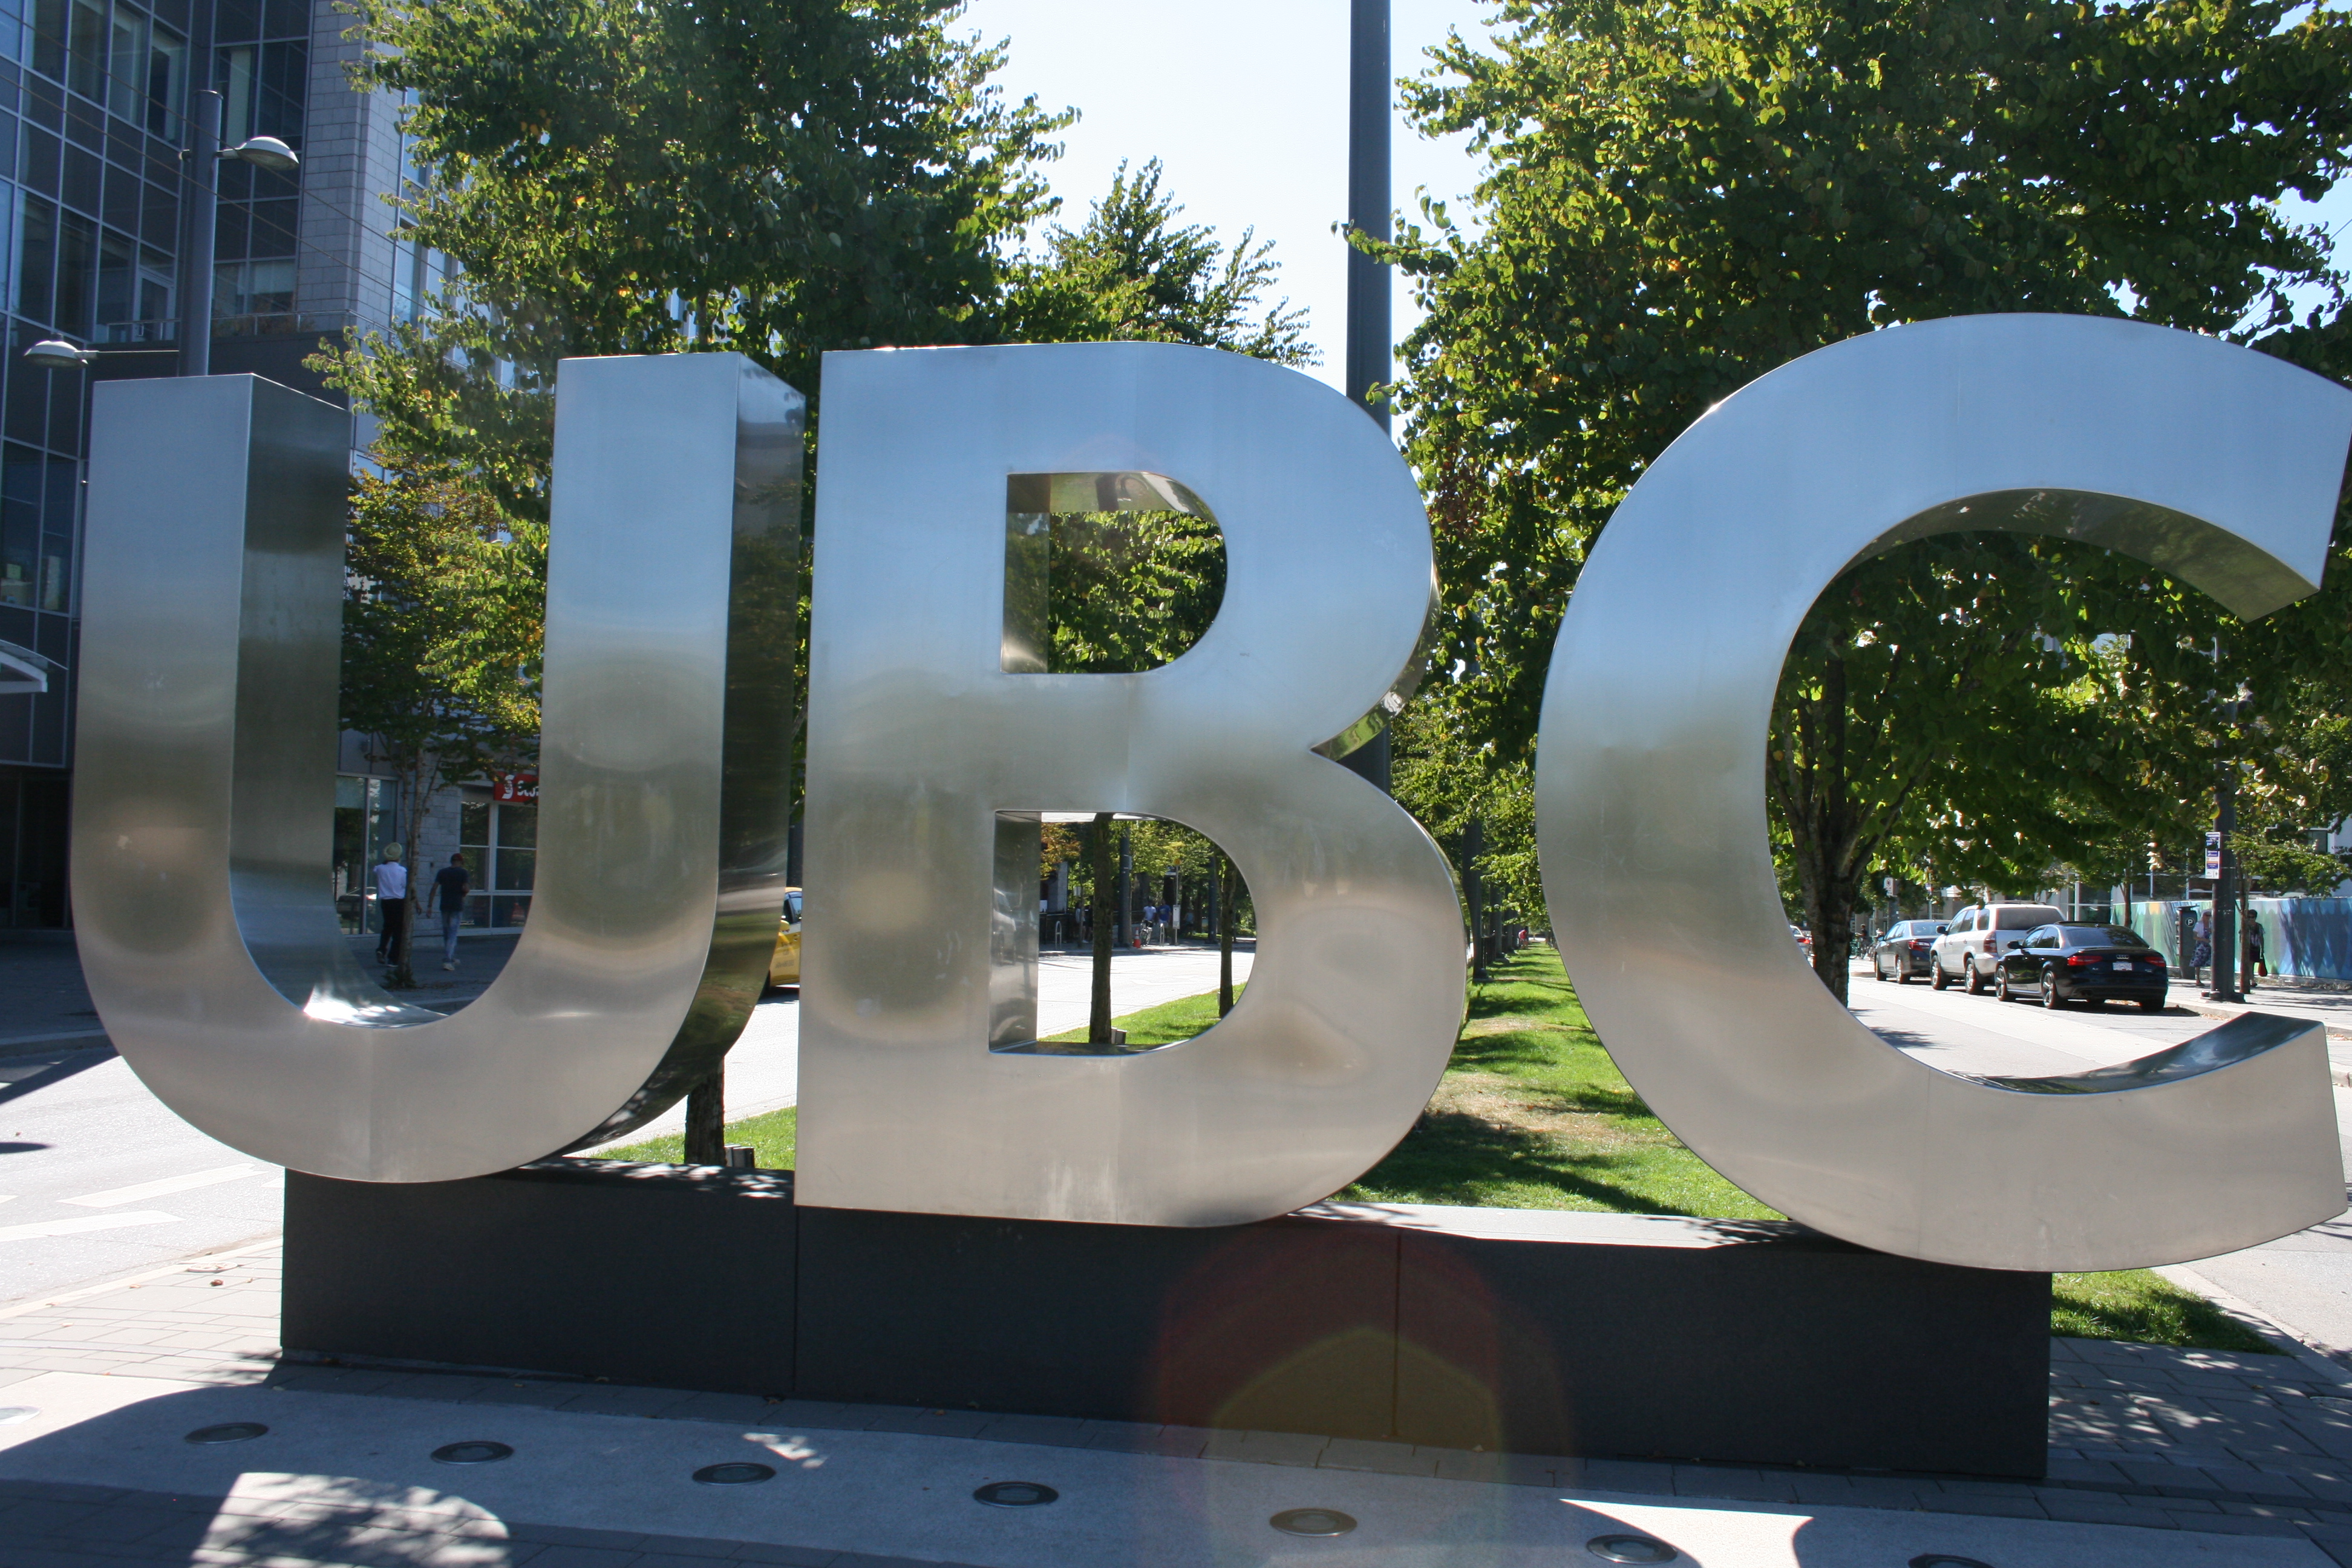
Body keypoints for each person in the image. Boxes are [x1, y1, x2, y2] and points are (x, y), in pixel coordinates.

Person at [431, 852, 471, 970]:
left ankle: (451, 956)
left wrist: (429, 905)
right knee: (453, 934)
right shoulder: (463, 872)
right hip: (456, 906)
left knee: (447, 933)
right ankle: (448, 960)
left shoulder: (442, 872)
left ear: (451, 861)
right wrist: (464, 893)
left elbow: (434, 888)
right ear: (461, 862)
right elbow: (466, 888)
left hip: (444, 905)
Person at [373, 843, 409, 964]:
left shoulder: (380, 869)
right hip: (398, 901)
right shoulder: (402, 871)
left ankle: (381, 949)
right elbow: (405, 886)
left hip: (385, 901)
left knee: (387, 927)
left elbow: (376, 869)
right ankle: (393, 958)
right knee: (398, 931)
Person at [2244, 909, 2267, 985]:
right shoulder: (2245, 927)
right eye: (2249, 917)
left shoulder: (2259, 927)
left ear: (2255, 918)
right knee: (2250, 964)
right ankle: (2252, 980)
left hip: (2256, 947)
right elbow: (2241, 937)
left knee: (2253, 963)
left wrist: (2262, 948)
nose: (2251, 919)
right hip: (2248, 948)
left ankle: (2251, 979)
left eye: (2252, 917)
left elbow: (2261, 937)